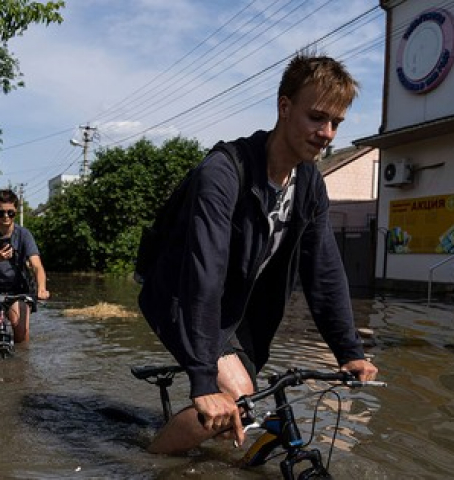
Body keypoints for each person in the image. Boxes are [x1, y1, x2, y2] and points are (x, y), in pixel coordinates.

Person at [138, 52, 379, 454]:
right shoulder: (223, 172)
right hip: (181, 294)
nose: (328, 133)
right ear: (284, 107)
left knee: (242, 407)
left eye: (336, 123)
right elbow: (204, 271)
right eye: (317, 117)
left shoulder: (309, 184)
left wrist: (349, 351)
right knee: (236, 393)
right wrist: (201, 377)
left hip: (237, 309)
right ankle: (144, 463)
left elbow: (324, 271)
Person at [0, 189, 49, 346]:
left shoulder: (24, 235)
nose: (6, 217)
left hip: (18, 292)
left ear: (16, 211)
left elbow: (37, 265)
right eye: (1, 213)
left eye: (10, 213)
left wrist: (42, 288)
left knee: (22, 334)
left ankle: (20, 368)